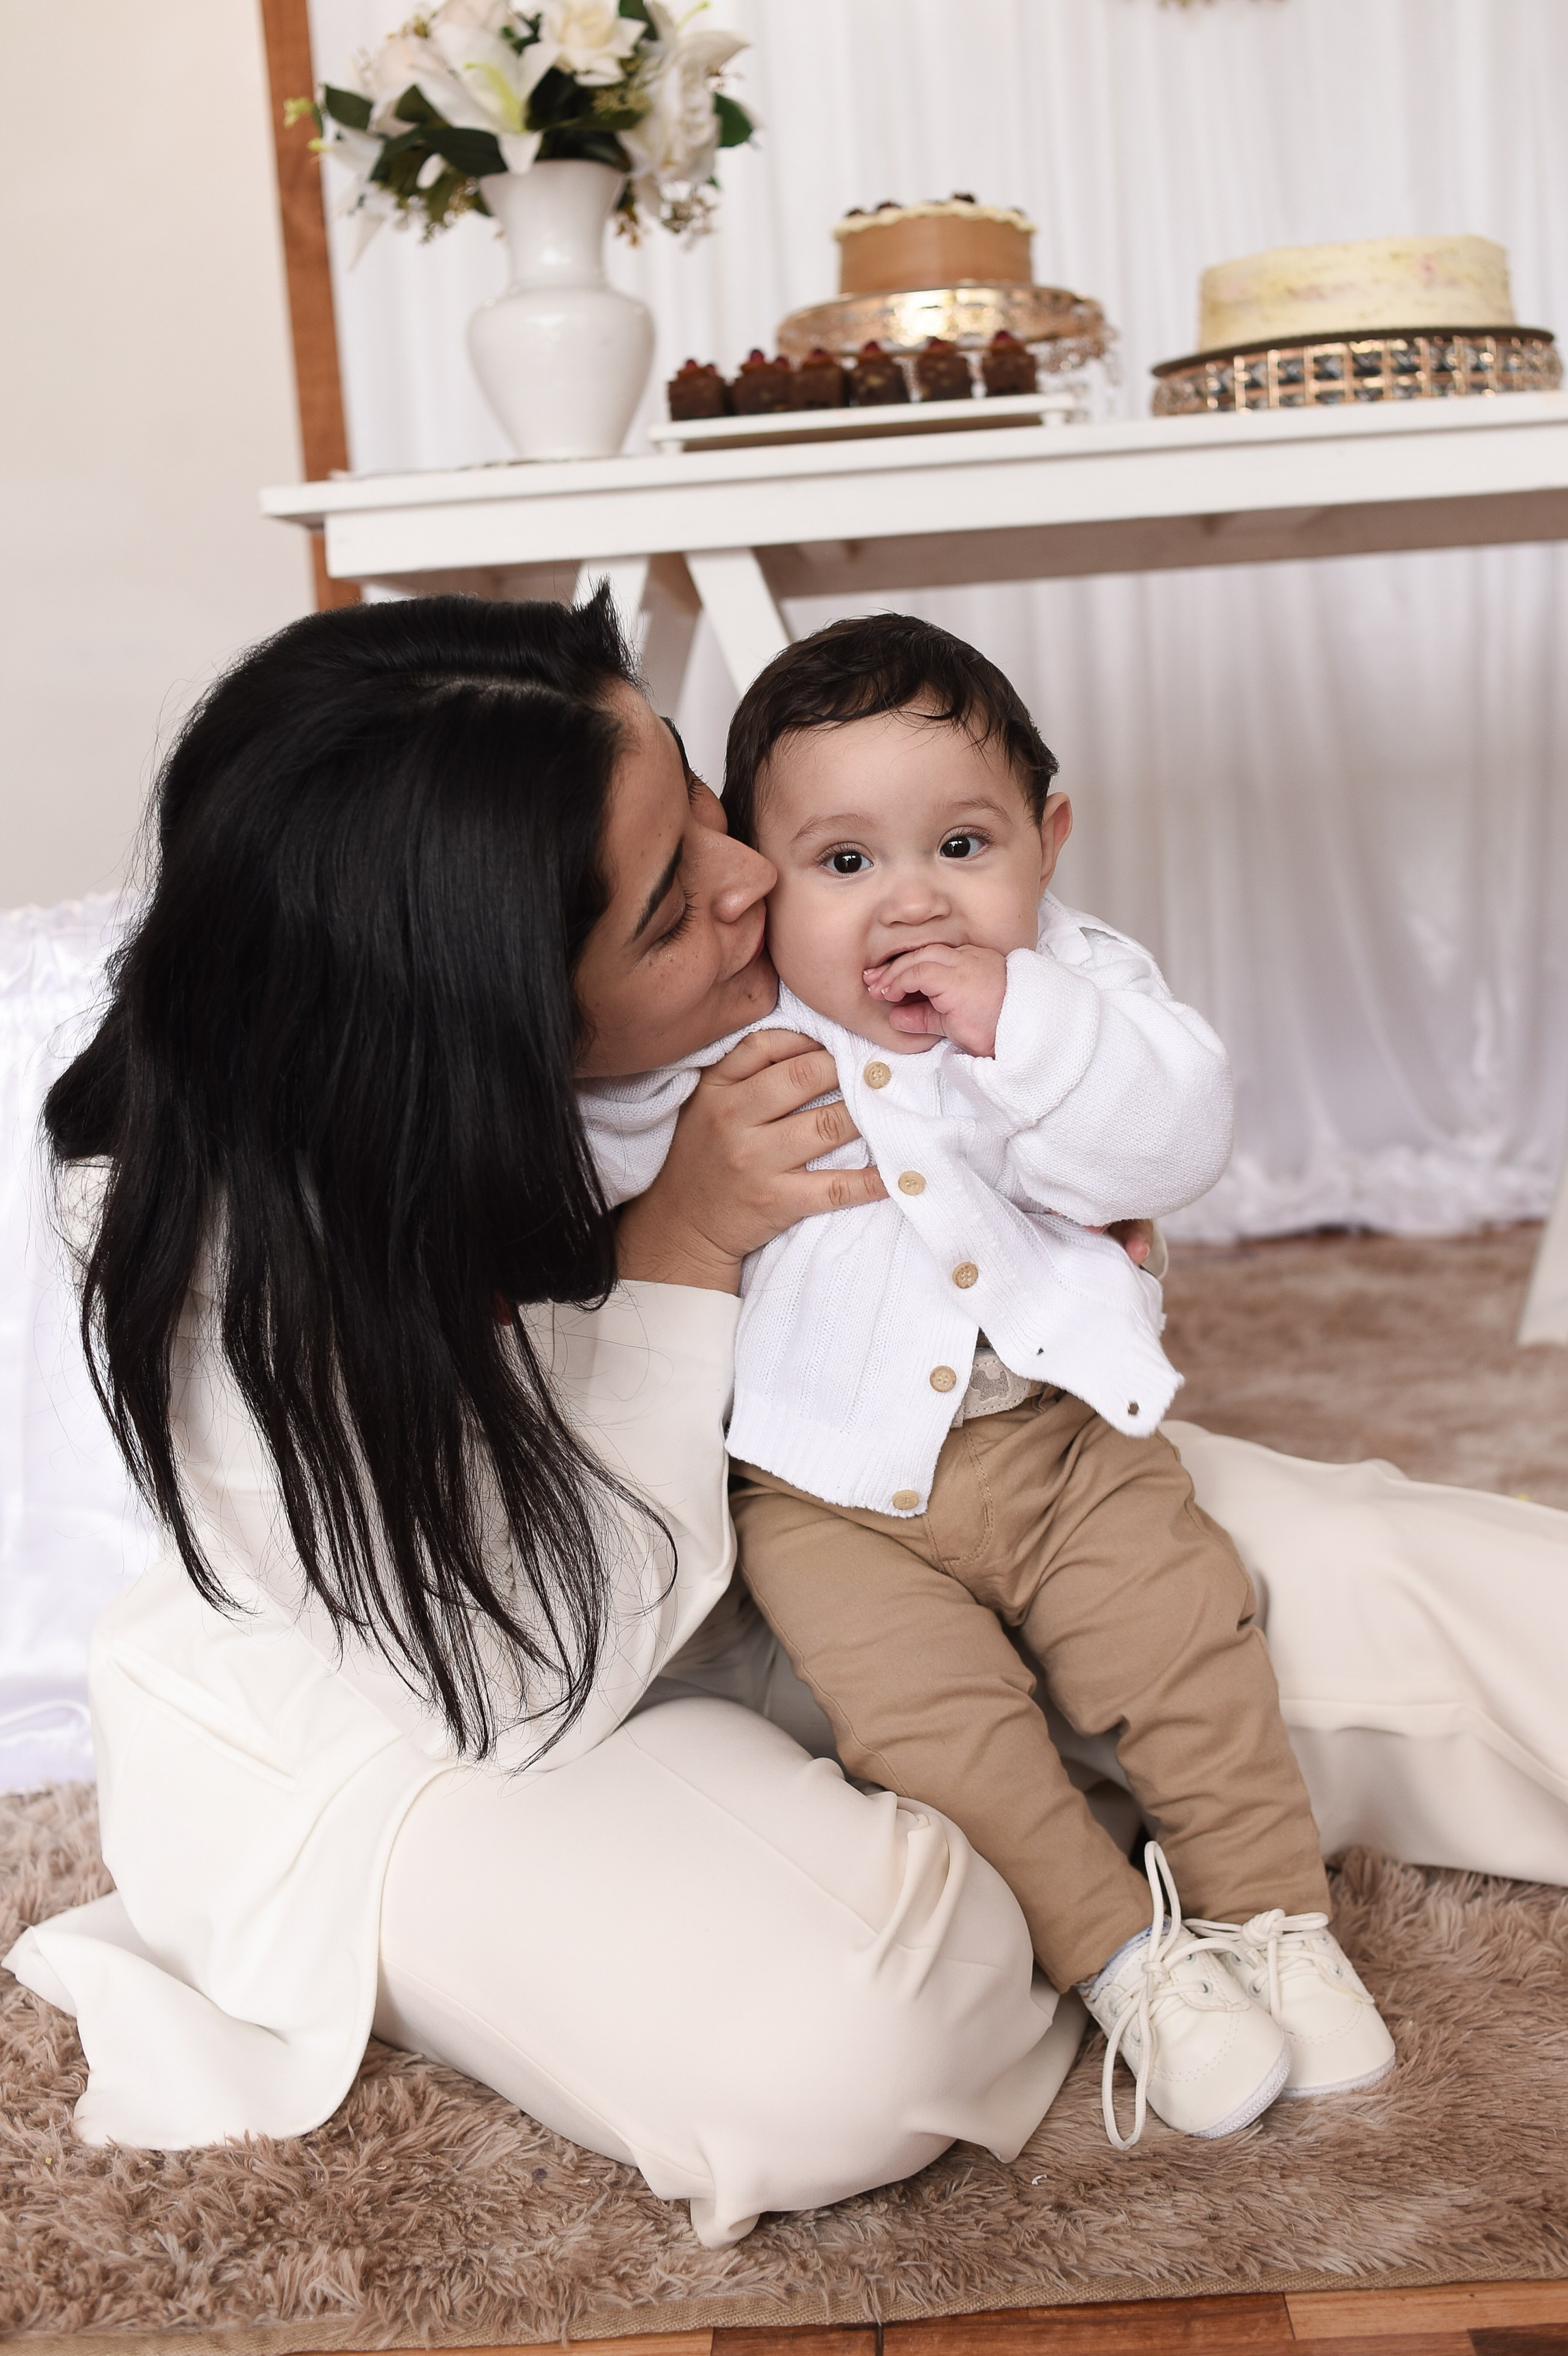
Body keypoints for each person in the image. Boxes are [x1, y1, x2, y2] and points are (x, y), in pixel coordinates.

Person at [5, 592, 1568, 2253]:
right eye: (676, 898)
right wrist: (683, 1239)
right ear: (487, 1027)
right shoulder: (237, 1276)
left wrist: (1029, 1211)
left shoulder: (783, 995)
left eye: (696, 794)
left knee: (1338, 1584)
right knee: (845, 2039)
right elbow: (536, 1662)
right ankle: (1089, 1883)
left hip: (849, 1497)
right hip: (479, 1686)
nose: (757, 871)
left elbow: (1054, 1114)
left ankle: (1123, 1798)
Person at [580, 614, 1394, 2149]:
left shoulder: (1075, 986)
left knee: (1189, 1649)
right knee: (934, 1737)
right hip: (827, 1494)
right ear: (754, 877)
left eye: (961, 845)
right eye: (840, 864)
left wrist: (1020, 1024)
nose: (910, 907)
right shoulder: (722, 1030)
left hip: (1063, 1438)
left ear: (1047, 838)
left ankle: (1275, 1921)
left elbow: (1167, 1142)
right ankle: (1128, 1962)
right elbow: (593, 1186)